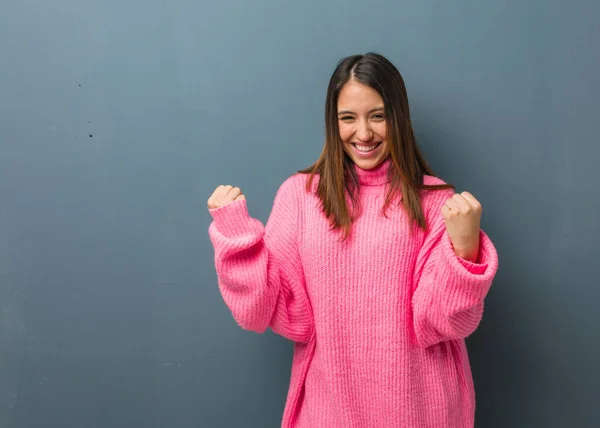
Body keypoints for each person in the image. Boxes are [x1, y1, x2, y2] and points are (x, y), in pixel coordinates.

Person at [207, 52, 499, 428]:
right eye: (349, 118)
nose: (363, 134)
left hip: (420, 413)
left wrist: (464, 250)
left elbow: (442, 322)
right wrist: (237, 237)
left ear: (399, 117)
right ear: (334, 122)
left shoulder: (438, 202)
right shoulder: (300, 197)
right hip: (329, 412)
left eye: (377, 116)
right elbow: (275, 311)